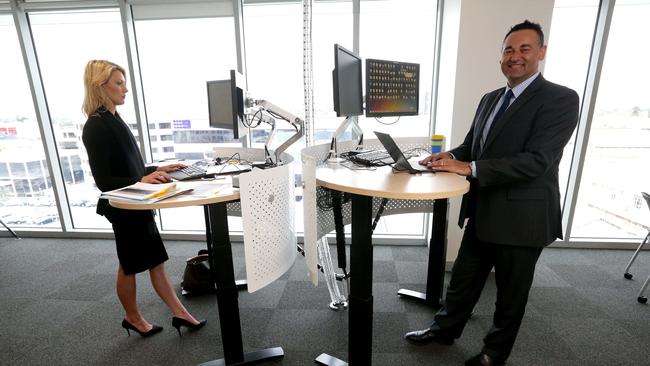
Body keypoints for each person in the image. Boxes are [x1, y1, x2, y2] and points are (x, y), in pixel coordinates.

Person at [404, 21, 579, 366]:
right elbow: (473, 146)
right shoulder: (491, 99)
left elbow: (537, 162)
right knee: (463, 280)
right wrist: (450, 156)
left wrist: (469, 168)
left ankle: (493, 354)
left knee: (510, 296)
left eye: (525, 49)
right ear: (501, 56)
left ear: (541, 53)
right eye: (509, 49)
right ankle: (444, 330)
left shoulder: (560, 98)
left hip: (523, 217)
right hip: (484, 209)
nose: (515, 56)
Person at [81, 60, 206, 338]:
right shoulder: (96, 126)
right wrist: (141, 180)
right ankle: (136, 317)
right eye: (119, 83)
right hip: (124, 206)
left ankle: (176, 313)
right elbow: (104, 181)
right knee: (131, 265)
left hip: (137, 203)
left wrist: (157, 169)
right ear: (100, 86)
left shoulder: (113, 118)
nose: (125, 89)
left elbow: (130, 168)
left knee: (152, 260)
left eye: (124, 82)